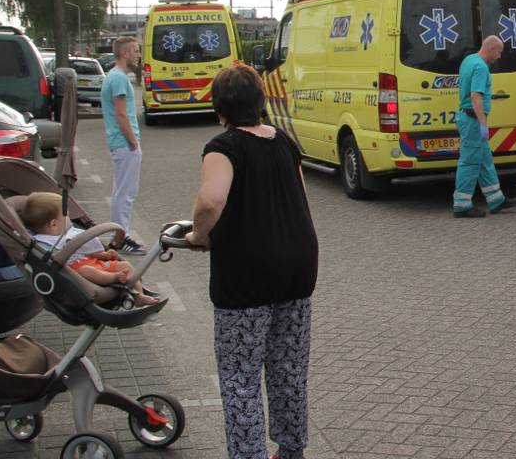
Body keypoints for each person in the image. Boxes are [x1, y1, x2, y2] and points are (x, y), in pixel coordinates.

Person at [185, 64, 318, 459]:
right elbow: (301, 197)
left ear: (220, 107)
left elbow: (211, 201)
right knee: (289, 370)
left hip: (247, 278)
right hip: (297, 268)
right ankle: (292, 450)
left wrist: (198, 235)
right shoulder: (284, 143)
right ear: (260, 101)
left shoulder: (223, 147)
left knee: (241, 377)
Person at [17, 191, 160, 307]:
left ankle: (139, 295)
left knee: (125, 265)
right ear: (54, 225)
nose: (70, 219)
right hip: (78, 271)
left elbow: (88, 251)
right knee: (87, 271)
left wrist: (103, 255)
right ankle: (115, 278)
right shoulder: (44, 243)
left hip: (93, 261)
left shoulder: (69, 232)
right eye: (66, 215)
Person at [452, 35, 516, 218]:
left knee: (484, 159)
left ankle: (496, 200)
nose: (499, 56)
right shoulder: (481, 67)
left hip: (467, 118)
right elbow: (475, 96)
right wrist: (482, 123)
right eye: (499, 52)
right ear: (490, 49)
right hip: (473, 120)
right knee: (469, 162)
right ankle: (462, 205)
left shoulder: (469, 60)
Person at [102, 36, 145, 255]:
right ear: (125, 53)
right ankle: (121, 238)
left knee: (121, 191)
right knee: (126, 192)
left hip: (119, 142)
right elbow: (121, 114)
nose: (139, 55)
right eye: (136, 51)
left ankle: (118, 236)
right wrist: (133, 142)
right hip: (124, 143)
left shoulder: (114, 76)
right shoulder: (119, 79)